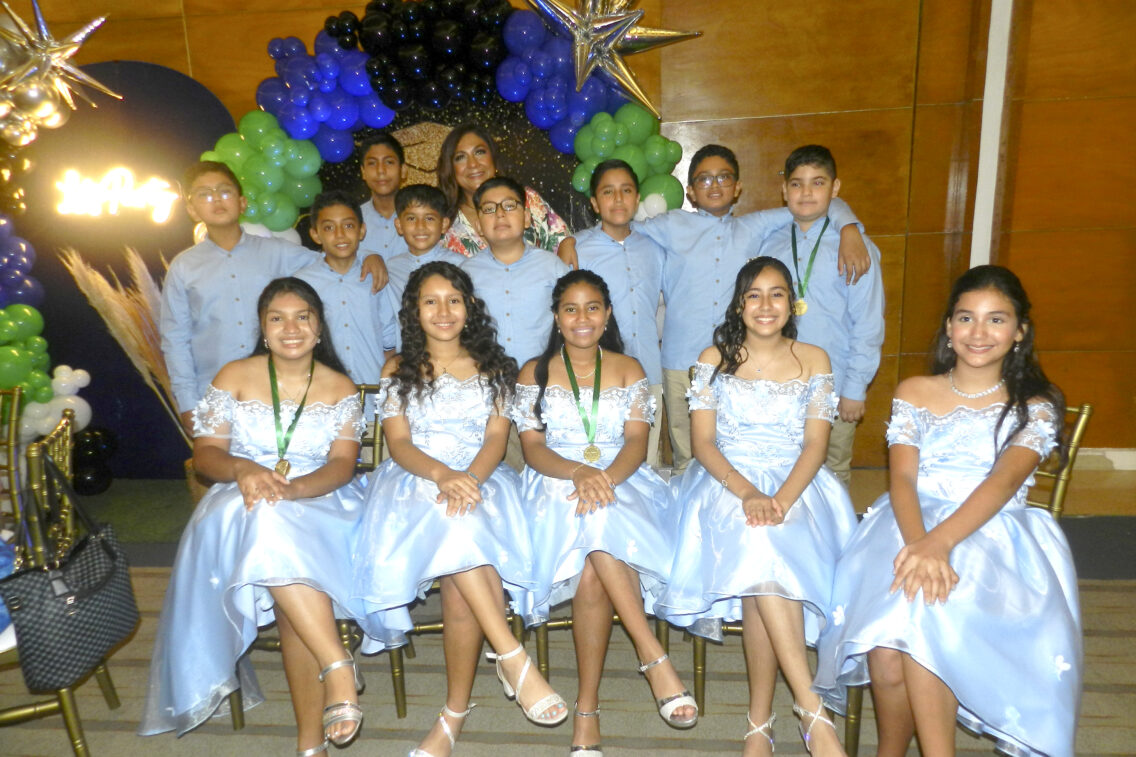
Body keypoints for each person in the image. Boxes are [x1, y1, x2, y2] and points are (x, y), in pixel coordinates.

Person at [814, 265, 1081, 757]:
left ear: (1019, 331)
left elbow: (1002, 483)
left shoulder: (1034, 405)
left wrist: (938, 545)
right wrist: (920, 543)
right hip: (907, 523)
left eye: (996, 320)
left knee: (923, 616)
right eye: (965, 318)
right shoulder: (914, 390)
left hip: (993, 535)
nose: (978, 332)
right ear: (949, 327)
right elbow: (902, 479)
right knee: (886, 653)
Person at [141, 278, 382, 757]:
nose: (290, 328)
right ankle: (335, 668)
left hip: (320, 501)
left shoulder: (340, 386)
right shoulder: (234, 375)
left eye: (302, 317)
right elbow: (206, 456)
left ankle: (312, 734)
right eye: (277, 318)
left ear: (319, 327)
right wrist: (244, 469)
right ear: (263, 328)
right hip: (241, 501)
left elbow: (341, 466)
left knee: (283, 551)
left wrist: (294, 489)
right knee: (269, 523)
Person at [352, 261, 568, 757]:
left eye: (453, 300)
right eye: (430, 301)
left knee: (462, 546)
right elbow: (399, 444)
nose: (443, 311)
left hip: (482, 476)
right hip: (415, 480)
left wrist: (467, 479)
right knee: (460, 529)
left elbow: (496, 440)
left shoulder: (495, 366)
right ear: (414, 311)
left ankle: (452, 715)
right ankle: (510, 654)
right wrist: (442, 476)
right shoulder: (396, 368)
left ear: (470, 306)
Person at [559, 145, 869, 473]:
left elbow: (809, 204)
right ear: (691, 191)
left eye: (724, 177)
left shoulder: (756, 225)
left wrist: (849, 226)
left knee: (731, 454)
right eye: (704, 179)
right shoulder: (669, 225)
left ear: (738, 187)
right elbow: (619, 227)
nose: (715, 185)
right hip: (681, 364)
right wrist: (569, 240)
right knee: (686, 458)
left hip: (735, 364)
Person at [657, 257, 858, 757]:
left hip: (798, 483)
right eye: (754, 295)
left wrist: (782, 499)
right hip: (726, 483)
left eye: (776, 294)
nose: (765, 305)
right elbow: (703, 444)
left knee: (764, 561)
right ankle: (810, 710)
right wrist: (749, 493)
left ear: (792, 303)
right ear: (739, 305)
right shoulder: (713, 358)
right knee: (761, 547)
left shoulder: (814, 358)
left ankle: (759, 722)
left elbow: (816, 445)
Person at [514, 270, 697, 755]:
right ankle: (652, 656)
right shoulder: (533, 371)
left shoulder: (628, 367)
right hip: (556, 482)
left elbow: (637, 441)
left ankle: (587, 710)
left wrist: (605, 479)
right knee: (596, 526)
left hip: (621, 478)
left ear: (608, 313)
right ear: (557, 317)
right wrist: (580, 473)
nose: (582, 318)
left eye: (592, 307)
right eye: (570, 308)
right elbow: (533, 449)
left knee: (597, 551)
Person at [161, 161, 387, 437]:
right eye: (205, 194)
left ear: (242, 202)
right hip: (215, 392)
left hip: (275, 393)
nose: (217, 199)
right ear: (192, 209)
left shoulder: (277, 252)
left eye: (225, 191)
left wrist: (370, 256)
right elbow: (175, 339)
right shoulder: (183, 268)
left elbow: (333, 257)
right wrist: (187, 402)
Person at [758, 145, 884, 486]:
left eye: (818, 183)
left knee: (832, 472)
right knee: (780, 470)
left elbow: (868, 322)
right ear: (784, 190)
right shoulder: (769, 245)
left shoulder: (855, 248)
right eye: (796, 184)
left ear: (835, 188)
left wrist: (855, 387)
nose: (806, 193)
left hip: (834, 382)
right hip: (778, 386)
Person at [572, 159, 667, 466]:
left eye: (626, 190)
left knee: (648, 463)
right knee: (600, 462)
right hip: (599, 376)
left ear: (637, 198)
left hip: (649, 371)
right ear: (594, 203)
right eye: (608, 192)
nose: (617, 199)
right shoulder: (576, 249)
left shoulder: (655, 247)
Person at [298, 190, 397, 395]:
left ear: (362, 230)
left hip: (372, 393)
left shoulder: (376, 277)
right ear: (315, 234)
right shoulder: (303, 284)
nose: (340, 234)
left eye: (348, 225)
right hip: (323, 396)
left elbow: (391, 340)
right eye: (329, 227)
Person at [436, 123, 569, 257]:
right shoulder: (441, 224)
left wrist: (567, 244)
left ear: (493, 157)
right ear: (450, 168)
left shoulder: (527, 199)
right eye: (460, 157)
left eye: (479, 152)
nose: (473, 164)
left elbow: (563, 243)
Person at [383, 184, 463, 352]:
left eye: (429, 218)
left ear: (444, 224)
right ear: (399, 225)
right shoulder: (391, 267)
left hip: (452, 352)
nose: (420, 226)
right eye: (411, 218)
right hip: (408, 355)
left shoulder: (461, 266)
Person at [357, 131, 408, 260]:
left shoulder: (422, 219)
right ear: (363, 172)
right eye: (372, 163)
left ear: (403, 170)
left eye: (389, 162)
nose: (380, 170)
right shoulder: (353, 220)